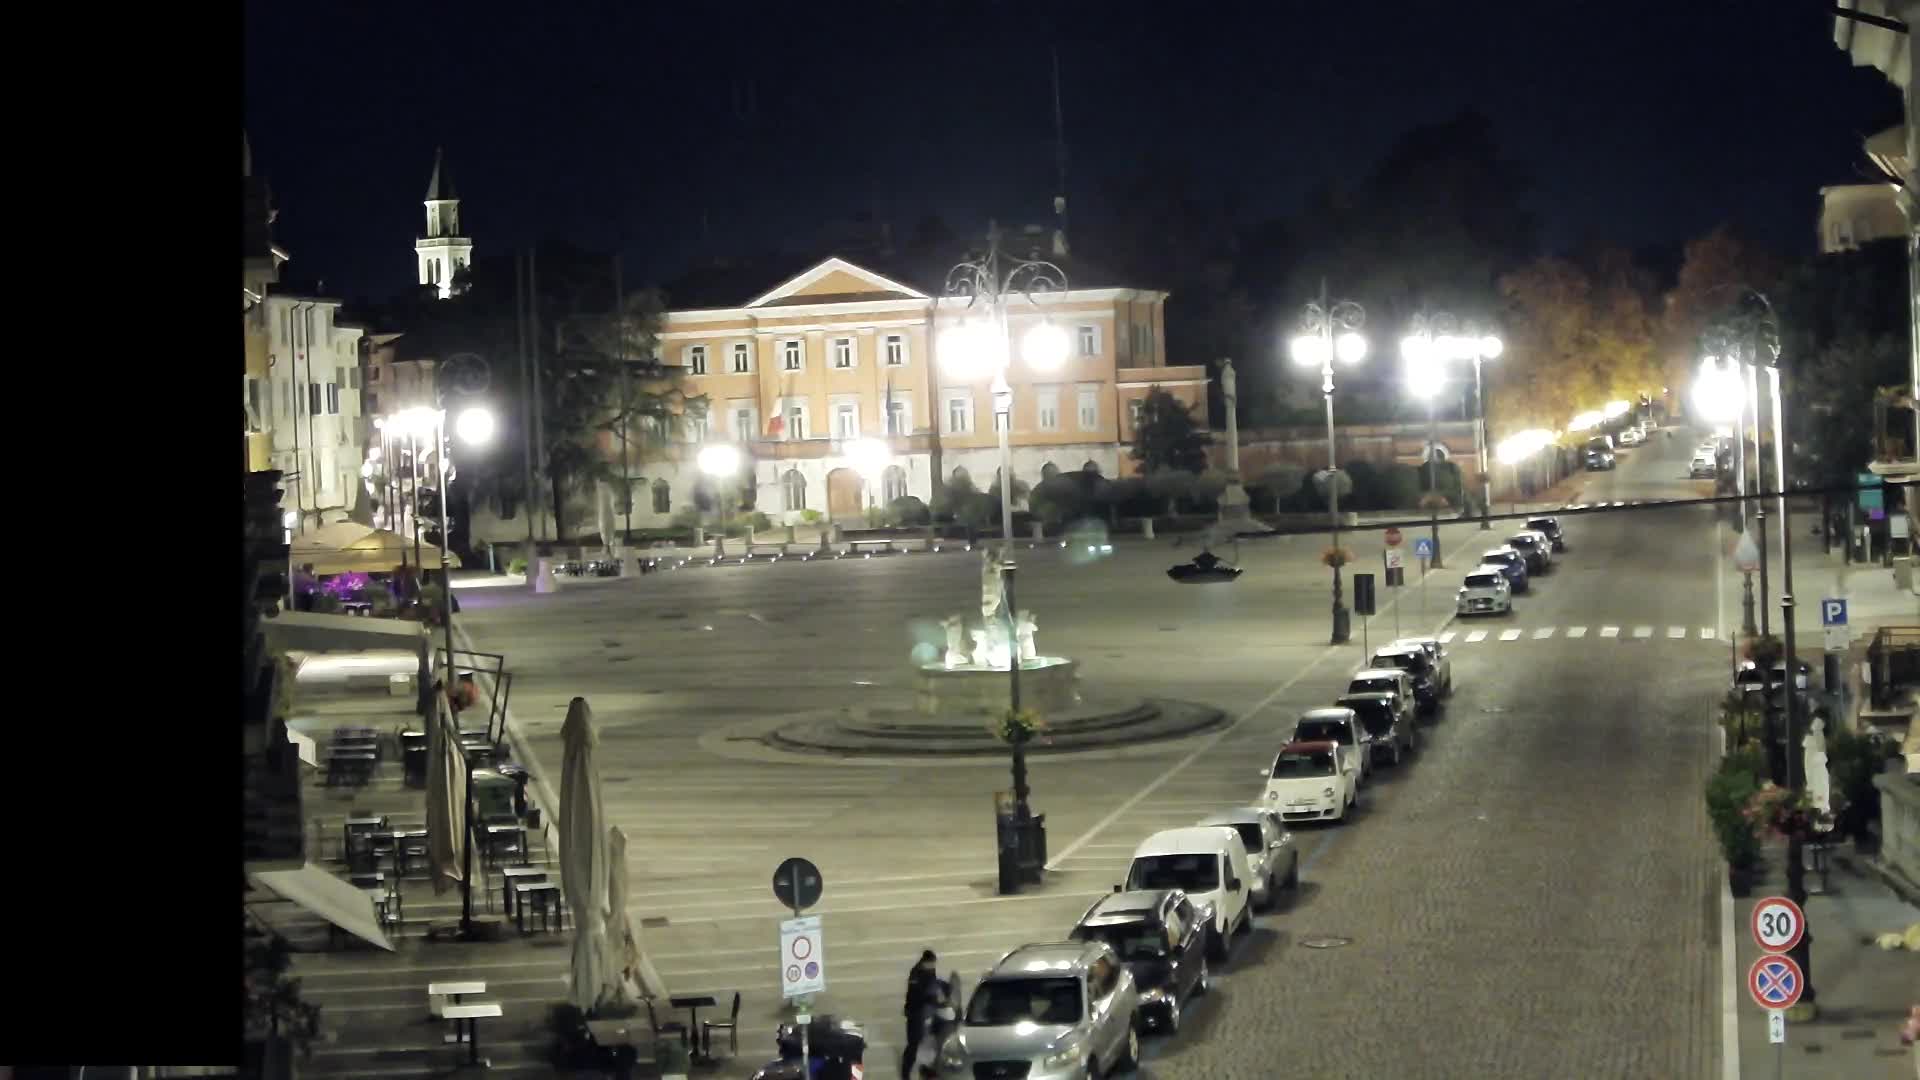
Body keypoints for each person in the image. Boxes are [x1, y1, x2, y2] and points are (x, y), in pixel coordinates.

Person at [900, 950, 938, 1080]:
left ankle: (925, 1069)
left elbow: (933, 987)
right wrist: (929, 999)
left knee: (926, 1041)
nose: (934, 966)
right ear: (925, 962)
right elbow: (914, 995)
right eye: (932, 963)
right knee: (913, 1043)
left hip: (925, 1011)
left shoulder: (930, 970)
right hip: (914, 1012)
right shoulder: (916, 973)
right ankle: (905, 1072)